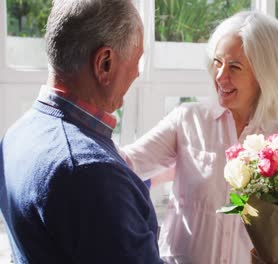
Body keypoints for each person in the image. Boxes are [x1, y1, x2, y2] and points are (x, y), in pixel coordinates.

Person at [120, 11, 278, 263]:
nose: (221, 76)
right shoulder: (188, 120)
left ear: (263, 75)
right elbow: (127, 164)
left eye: (234, 66)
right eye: (217, 62)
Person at [0, 0, 164, 263]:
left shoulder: (16, 135)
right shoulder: (91, 171)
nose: (136, 73)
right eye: (137, 59)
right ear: (105, 63)